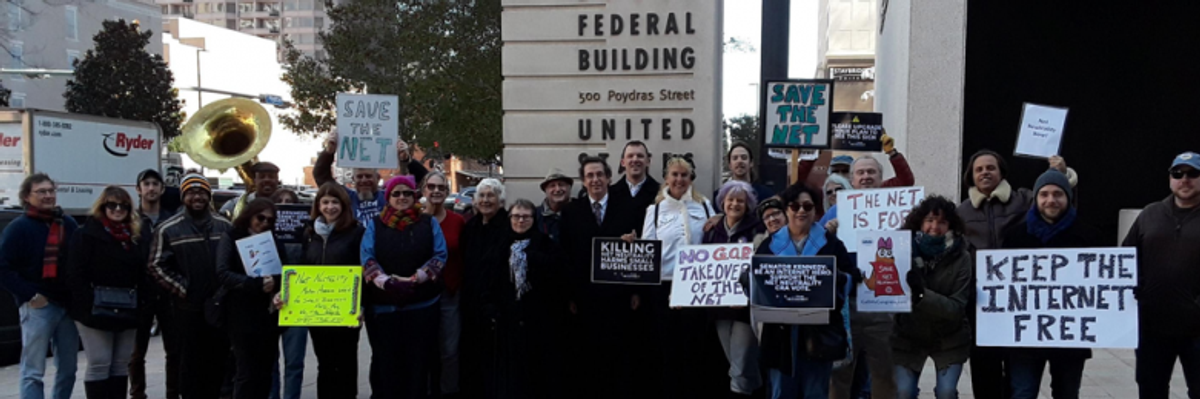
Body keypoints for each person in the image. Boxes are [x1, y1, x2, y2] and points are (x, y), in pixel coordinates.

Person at [956, 150, 1076, 399]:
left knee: (1018, 376)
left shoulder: (1024, 199)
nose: (985, 172)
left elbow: (1056, 205)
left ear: (1001, 173)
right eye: (979, 169)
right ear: (971, 176)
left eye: (991, 167)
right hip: (982, 306)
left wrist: (1061, 174)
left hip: (1020, 303)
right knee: (984, 372)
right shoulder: (962, 212)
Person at [748, 183, 853, 399]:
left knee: (815, 393)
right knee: (780, 393)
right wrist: (747, 279)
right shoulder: (768, 245)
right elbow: (755, 283)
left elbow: (853, 277)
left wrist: (839, 279)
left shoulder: (831, 243)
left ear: (816, 210)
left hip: (819, 334)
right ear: (787, 210)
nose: (801, 211)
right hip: (779, 335)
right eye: (795, 206)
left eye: (808, 206)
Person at [999, 170, 1094, 399]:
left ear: (1068, 198)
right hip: (1024, 340)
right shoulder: (1014, 237)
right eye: (1044, 194)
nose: (1051, 200)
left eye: (1058, 194)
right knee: (1022, 393)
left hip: (1070, 339)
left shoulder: (1088, 236)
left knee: (1067, 393)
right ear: (1036, 199)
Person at [560, 156, 644, 399]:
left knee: (621, 356)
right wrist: (570, 296)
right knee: (588, 357)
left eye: (599, 174)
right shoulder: (571, 211)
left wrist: (636, 290)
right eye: (589, 176)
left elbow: (640, 254)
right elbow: (566, 255)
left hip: (619, 297)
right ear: (583, 182)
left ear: (609, 178)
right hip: (585, 298)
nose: (595, 180)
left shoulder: (628, 208)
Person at [147, 173, 234, 399]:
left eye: (202, 192)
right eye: (192, 192)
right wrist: (183, 289)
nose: (197, 196)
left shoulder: (225, 226)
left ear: (208, 195)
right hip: (186, 311)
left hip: (219, 308)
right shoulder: (167, 229)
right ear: (184, 196)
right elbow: (156, 265)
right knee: (189, 367)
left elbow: (236, 261)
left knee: (219, 364)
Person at [361, 175, 448, 399]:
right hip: (384, 309)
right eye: (396, 193)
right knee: (386, 366)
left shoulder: (429, 223)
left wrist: (418, 277)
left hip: (422, 306)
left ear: (414, 195)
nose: (402, 197)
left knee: (418, 366)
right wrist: (385, 282)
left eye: (407, 193)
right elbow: (367, 258)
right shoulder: (375, 224)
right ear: (388, 197)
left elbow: (440, 255)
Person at [274, 182, 363, 399]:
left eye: (335, 202)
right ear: (317, 205)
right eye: (325, 202)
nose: (330, 207)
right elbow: (303, 271)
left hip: (345, 312)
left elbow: (362, 271)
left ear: (343, 205)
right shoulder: (309, 233)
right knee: (325, 364)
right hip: (317, 311)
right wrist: (285, 293)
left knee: (345, 365)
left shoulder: (356, 231)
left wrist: (361, 306)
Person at [1123, 151, 1200, 399]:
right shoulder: (1150, 214)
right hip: (1152, 327)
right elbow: (1125, 260)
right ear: (1170, 178)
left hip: (1197, 329)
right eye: (1178, 174)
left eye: (1193, 174)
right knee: (1151, 391)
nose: (1185, 179)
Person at [639, 156, 717, 398]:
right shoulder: (654, 210)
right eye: (675, 174)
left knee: (695, 346)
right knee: (668, 348)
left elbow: (717, 241)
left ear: (690, 178)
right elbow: (647, 249)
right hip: (665, 287)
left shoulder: (704, 206)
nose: (679, 179)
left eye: (684, 175)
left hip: (697, 286)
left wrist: (720, 219)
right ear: (666, 178)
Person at [66, 186, 152, 399]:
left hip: (128, 309)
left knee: (121, 365)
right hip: (95, 309)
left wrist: (143, 308)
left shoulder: (135, 237)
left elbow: (144, 274)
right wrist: (85, 306)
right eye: (111, 205)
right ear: (102, 207)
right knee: (99, 362)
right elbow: (75, 274)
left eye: (123, 205)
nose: (117, 209)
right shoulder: (85, 234)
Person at [0, 174, 80, 399]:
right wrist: (30, 295)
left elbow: (78, 262)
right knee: (33, 371)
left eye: (50, 191)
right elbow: (3, 269)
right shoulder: (19, 228)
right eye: (41, 192)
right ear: (27, 196)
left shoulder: (67, 223)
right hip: (38, 307)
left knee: (69, 369)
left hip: (67, 307)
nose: (48, 195)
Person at [891, 196, 973, 399]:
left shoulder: (962, 257)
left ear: (951, 226)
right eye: (929, 220)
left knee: (946, 392)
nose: (934, 227)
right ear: (919, 222)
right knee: (903, 392)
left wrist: (920, 295)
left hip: (949, 337)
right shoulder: (900, 250)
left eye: (942, 222)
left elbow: (956, 308)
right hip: (907, 337)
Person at [484, 199, 565, 398]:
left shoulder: (545, 244)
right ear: (510, 218)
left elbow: (557, 274)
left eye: (526, 216)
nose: (521, 220)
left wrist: (532, 257)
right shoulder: (500, 243)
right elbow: (488, 278)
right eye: (516, 216)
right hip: (507, 320)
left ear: (533, 218)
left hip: (539, 319)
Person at [215, 199, 284, 399]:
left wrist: (276, 284)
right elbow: (223, 273)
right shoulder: (231, 236)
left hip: (268, 316)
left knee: (265, 372)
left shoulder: (274, 240)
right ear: (249, 215)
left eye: (270, 220)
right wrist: (254, 284)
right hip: (240, 315)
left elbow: (285, 272)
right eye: (260, 218)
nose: (264, 223)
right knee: (245, 372)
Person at [702, 180, 764, 398]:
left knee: (738, 367)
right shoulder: (711, 231)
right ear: (722, 202)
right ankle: (758, 389)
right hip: (719, 308)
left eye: (740, 201)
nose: (735, 204)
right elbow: (699, 267)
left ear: (747, 204)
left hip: (744, 309)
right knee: (739, 363)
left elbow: (762, 267)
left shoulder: (758, 229)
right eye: (730, 200)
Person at [130, 169, 182, 399]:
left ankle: (173, 393)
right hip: (139, 293)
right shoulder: (129, 219)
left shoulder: (172, 219)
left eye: (155, 184)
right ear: (138, 189)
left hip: (168, 292)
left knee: (174, 350)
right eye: (146, 184)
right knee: (136, 352)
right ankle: (137, 394)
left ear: (162, 189)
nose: (151, 188)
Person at [459, 178, 513, 398]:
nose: (486, 200)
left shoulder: (508, 227)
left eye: (491, 195)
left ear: (500, 201)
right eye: (481, 195)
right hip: (471, 305)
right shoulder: (470, 226)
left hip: (497, 307)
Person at [314, 131, 430, 225]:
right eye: (359, 176)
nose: (364, 180)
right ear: (353, 179)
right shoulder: (346, 197)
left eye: (368, 176)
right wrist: (328, 153)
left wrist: (406, 160)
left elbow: (426, 181)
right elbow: (321, 177)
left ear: (378, 177)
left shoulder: (391, 197)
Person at [422, 172, 467, 397]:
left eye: (441, 187)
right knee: (425, 349)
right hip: (420, 295)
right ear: (424, 191)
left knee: (449, 350)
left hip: (449, 292)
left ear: (447, 192)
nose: (436, 191)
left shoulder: (457, 221)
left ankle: (449, 391)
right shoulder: (415, 219)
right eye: (431, 186)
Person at [267, 188, 305, 399]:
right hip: (270, 303)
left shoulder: (307, 235)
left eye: (289, 202)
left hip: (297, 302)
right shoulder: (262, 234)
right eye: (279, 201)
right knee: (270, 362)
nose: (284, 204)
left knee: (294, 362)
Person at [796, 133, 911, 190]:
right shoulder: (828, 194)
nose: (866, 177)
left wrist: (892, 153)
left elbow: (905, 181)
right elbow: (797, 182)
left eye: (871, 171)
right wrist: (813, 152)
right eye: (860, 172)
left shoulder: (883, 191)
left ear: (880, 177)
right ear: (852, 179)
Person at [610, 141, 661, 223]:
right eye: (630, 156)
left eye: (640, 156)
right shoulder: (610, 194)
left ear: (648, 161)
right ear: (623, 162)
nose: (635, 159)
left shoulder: (661, 193)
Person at [535, 168, 572, 243]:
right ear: (545, 190)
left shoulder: (581, 212)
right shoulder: (535, 215)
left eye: (561, 185)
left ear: (569, 188)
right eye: (552, 186)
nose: (557, 189)